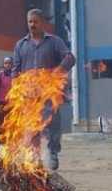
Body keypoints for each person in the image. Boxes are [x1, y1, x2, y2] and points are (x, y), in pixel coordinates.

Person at [13, 9, 75, 171]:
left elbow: (70, 58)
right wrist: (16, 88)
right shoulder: (21, 45)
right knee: (31, 126)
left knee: (52, 123)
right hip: (28, 94)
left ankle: (53, 153)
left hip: (48, 93)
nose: (32, 25)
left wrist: (57, 72)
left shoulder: (54, 42)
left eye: (35, 21)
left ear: (42, 23)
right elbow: (15, 69)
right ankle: (34, 155)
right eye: (30, 22)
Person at [0, 57, 14, 128]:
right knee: (2, 124)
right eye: (6, 63)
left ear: (12, 64)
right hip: (2, 104)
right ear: (3, 64)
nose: (8, 65)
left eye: (9, 63)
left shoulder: (15, 75)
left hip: (13, 104)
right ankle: (1, 139)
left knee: (12, 124)